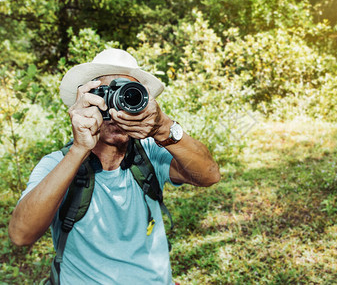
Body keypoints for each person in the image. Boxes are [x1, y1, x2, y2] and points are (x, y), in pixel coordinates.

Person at [8, 48, 221, 284]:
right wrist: (79, 149)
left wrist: (163, 127)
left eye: (129, 95)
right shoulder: (58, 164)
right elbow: (20, 235)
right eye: (107, 94)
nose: (118, 106)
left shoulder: (150, 154)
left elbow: (209, 175)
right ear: (88, 99)